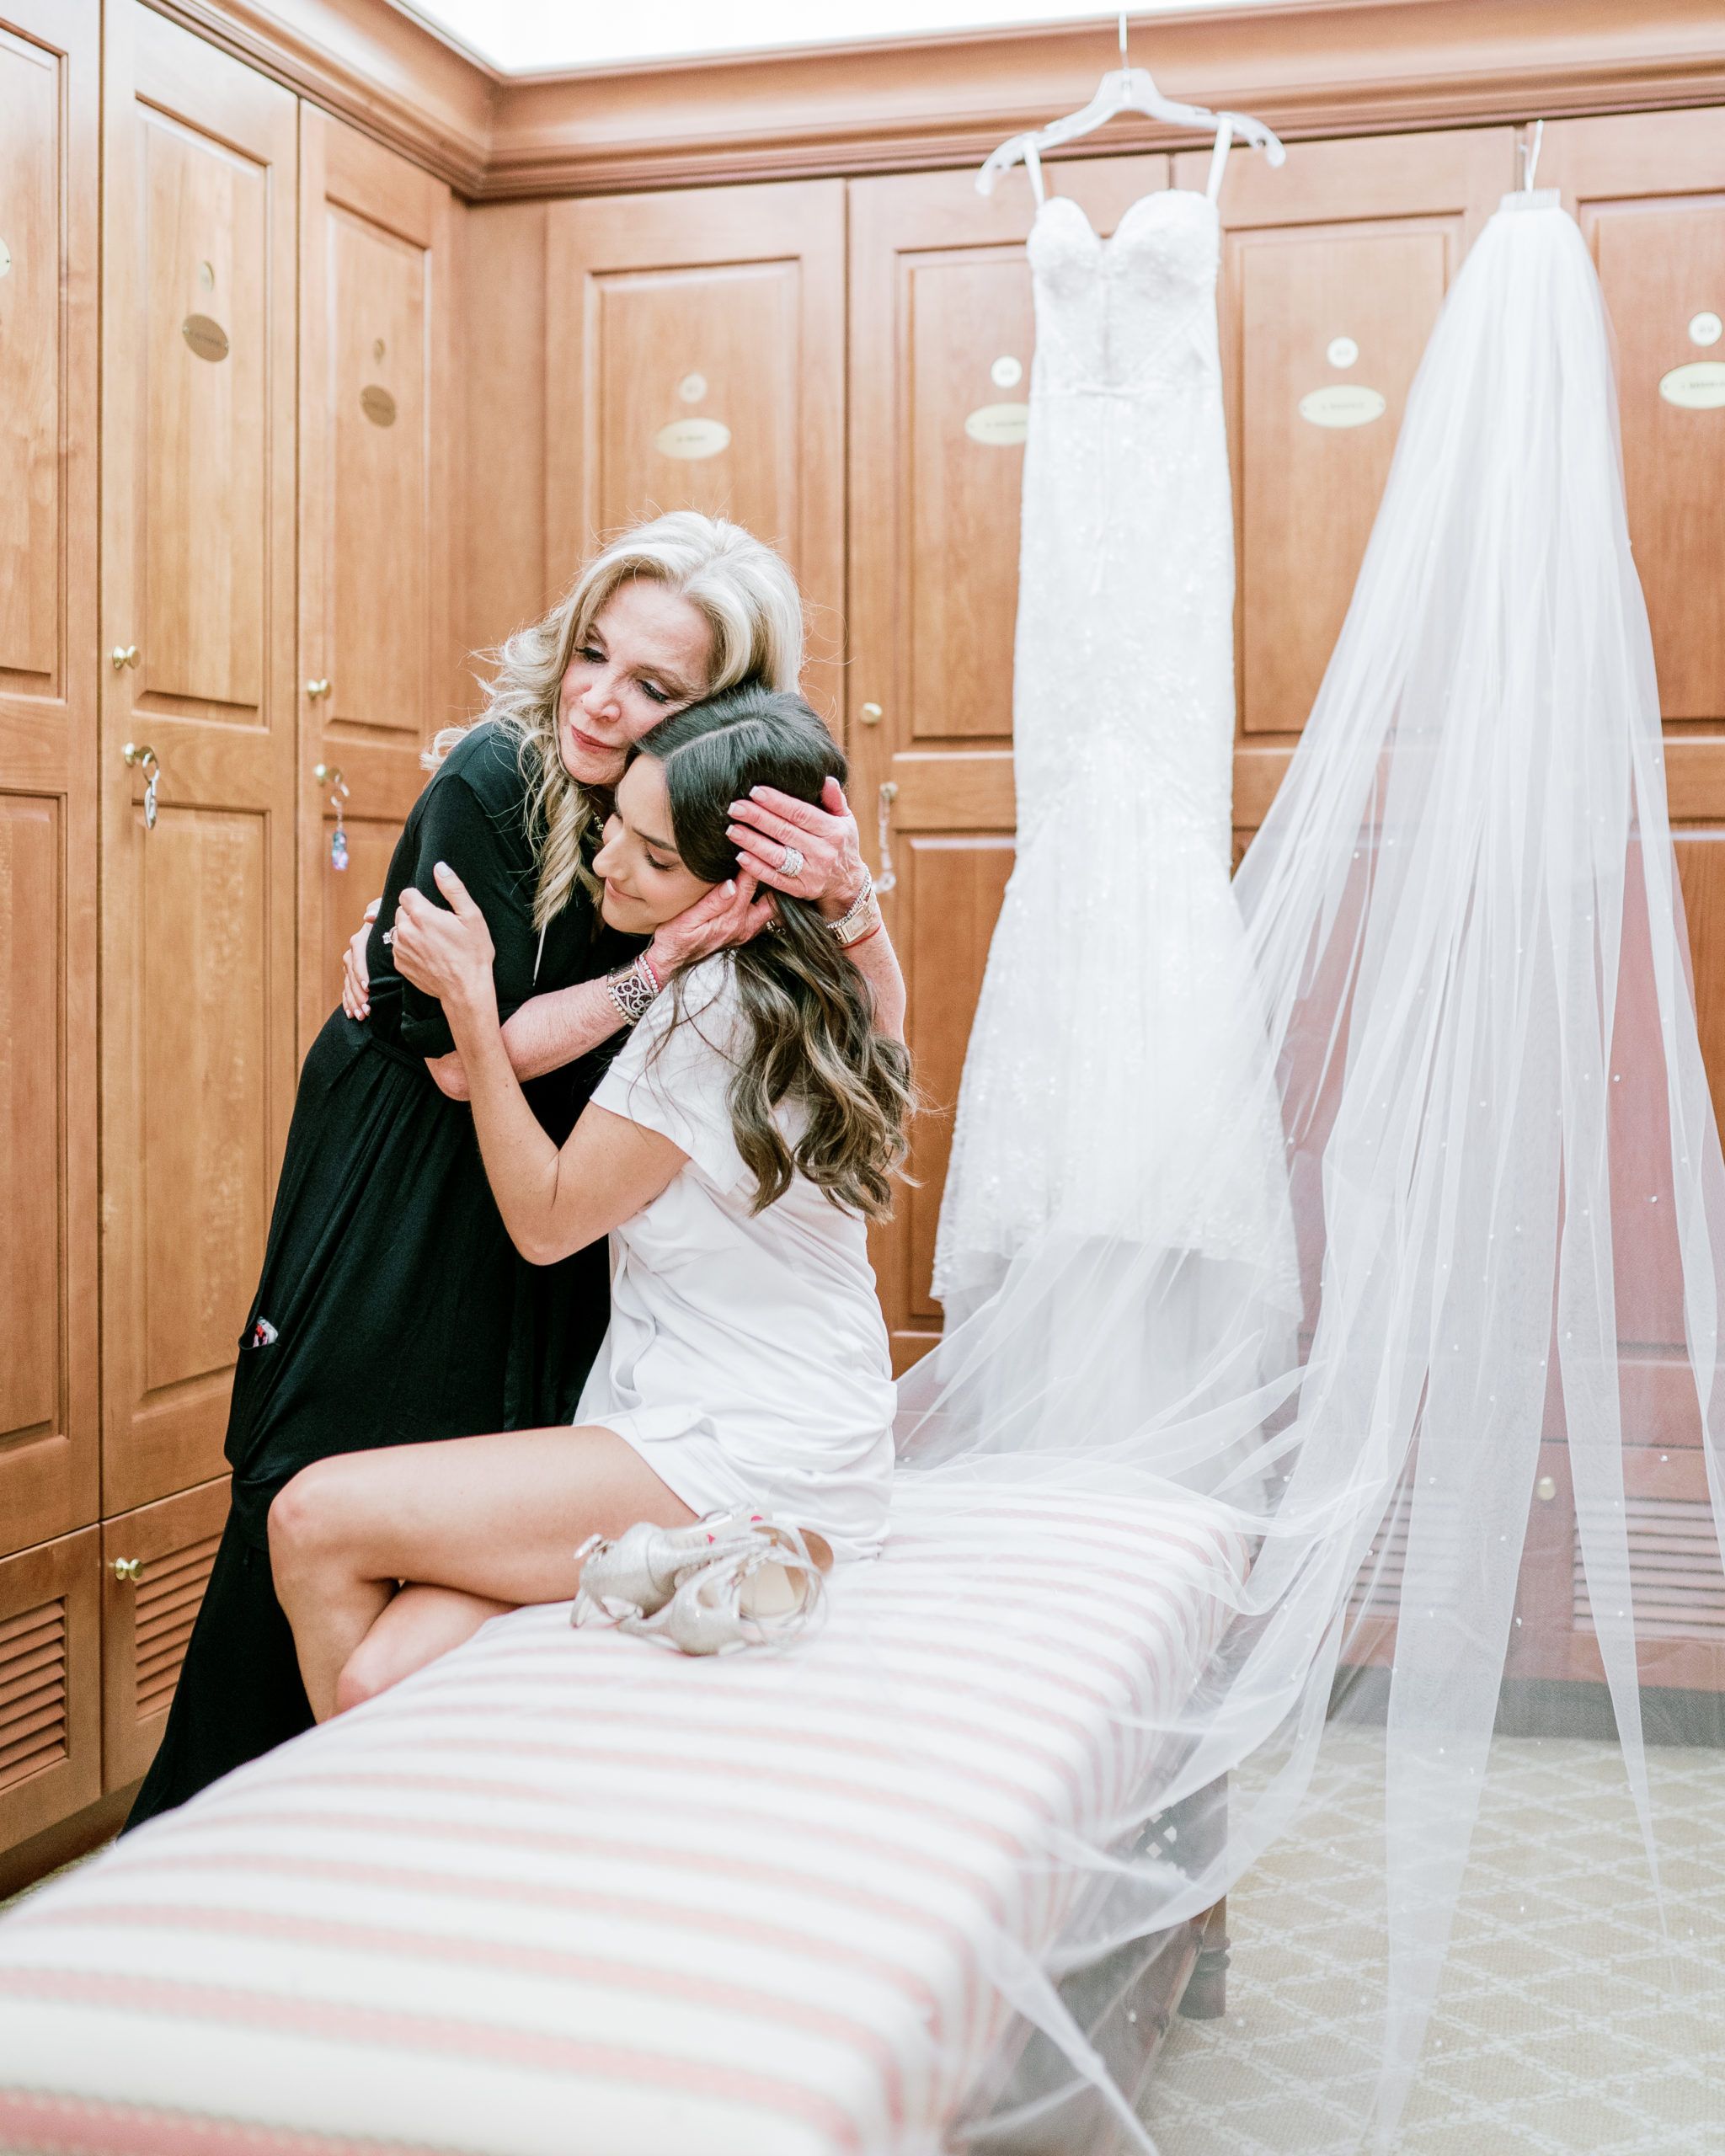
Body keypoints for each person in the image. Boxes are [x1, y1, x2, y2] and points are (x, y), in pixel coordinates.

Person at [130, 513, 904, 1825]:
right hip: (433, 1196)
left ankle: (389, 1837)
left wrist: (842, 907)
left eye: (653, 687)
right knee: (319, 1510)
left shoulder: (717, 961)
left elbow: (852, 1041)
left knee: (393, 1520)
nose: (599, 703)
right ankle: (270, 1834)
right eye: (592, 654)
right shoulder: (509, 781)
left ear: (719, 724)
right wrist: (594, 980)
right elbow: (447, 1057)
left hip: (579, 1226)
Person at [266, 688, 912, 1709]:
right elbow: (889, 1009)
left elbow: (545, 1222)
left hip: (746, 1444)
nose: (608, 861)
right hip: (757, 1414)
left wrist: (470, 1004)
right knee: (377, 1676)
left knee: (308, 1519)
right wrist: (851, 903)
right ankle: (411, 1803)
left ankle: (382, 1814)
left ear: (738, 886)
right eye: (615, 824)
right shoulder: (817, 975)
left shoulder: (714, 1011)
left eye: (654, 859)